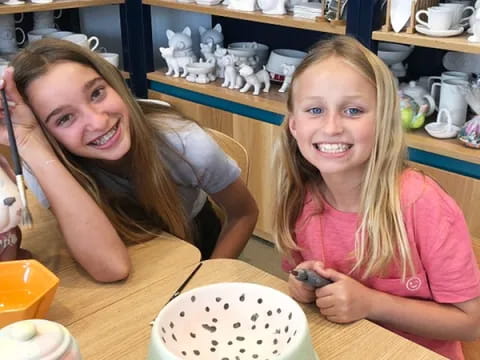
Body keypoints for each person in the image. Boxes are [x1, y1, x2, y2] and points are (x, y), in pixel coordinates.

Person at [274, 36, 480, 360]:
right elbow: (297, 272)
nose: (331, 127)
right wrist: (302, 285)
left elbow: (471, 324)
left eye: (353, 110)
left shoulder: (422, 205)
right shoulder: (300, 200)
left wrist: (371, 303)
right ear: (294, 125)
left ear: (383, 120)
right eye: (315, 109)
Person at [0, 39, 258, 282]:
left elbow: (244, 213)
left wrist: (207, 281)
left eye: (97, 93)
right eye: (64, 119)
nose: (98, 122)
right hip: (119, 244)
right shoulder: (43, 160)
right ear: (45, 134)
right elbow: (111, 265)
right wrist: (27, 143)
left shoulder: (185, 143)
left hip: (193, 239)